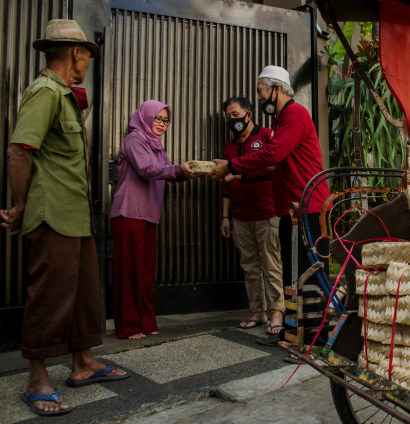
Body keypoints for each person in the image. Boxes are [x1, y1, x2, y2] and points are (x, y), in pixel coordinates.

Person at [0, 19, 129, 416]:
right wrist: (21, 207)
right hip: (52, 212)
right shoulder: (45, 91)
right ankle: (37, 380)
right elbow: (19, 150)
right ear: (76, 53)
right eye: (88, 53)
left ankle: (83, 364)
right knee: (50, 298)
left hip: (74, 214)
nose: (88, 60)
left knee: (85, 297)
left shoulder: (67, 94)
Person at [209, 66, 331, 344]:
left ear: (276, 88)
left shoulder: (295, 115)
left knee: (308, 275)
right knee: (293, 276)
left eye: (261, 91)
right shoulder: (281, 120)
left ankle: (314, 340)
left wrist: (231, 164)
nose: (260, 98)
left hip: (309, 206)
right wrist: (237, 171)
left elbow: (272, 154)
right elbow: (275, 163)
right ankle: (293, 331)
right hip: (291, 209)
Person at [110, 100, 197, 340]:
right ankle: (128, 326)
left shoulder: (157, 146)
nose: (161, 124)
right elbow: (147, 170)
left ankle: (145, 322)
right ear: (145, 117)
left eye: (165, 120)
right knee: (128, 271)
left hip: (149, 214)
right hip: (129, 212)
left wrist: (189, 171)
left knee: (145, 272)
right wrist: (178, 170)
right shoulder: (134, 140)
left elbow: (168, 171)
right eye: (157, 118)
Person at [220, 96, 284, 335]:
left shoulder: (266, 136)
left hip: (267, 211)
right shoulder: (228, 147)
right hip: (240, 216)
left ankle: (277, 311)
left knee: (271, 263)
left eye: (235, 115)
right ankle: (258, 311)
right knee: (249, 266)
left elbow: (274, 168)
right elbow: (225, 187)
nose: (231, 120)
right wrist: (226, 217)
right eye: (228, 117)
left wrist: (240, 175)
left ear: (248, 115)